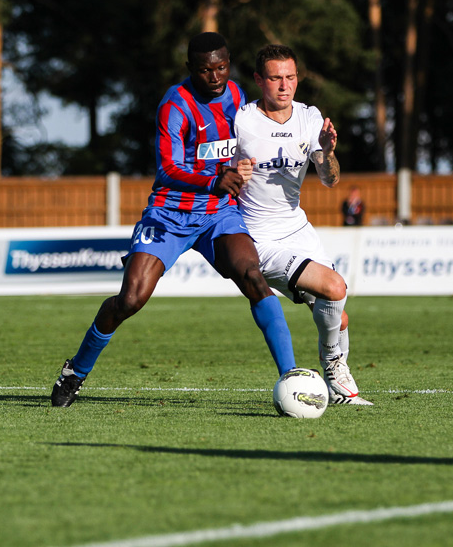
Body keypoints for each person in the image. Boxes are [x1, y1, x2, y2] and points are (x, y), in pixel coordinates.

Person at [51, 32, 298, 407]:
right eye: (204, 70)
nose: (214, 77)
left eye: (221, 68)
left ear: (229, 64)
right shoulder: (175, 105)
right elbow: (167, 169)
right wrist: (215, 179)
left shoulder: (237, 96)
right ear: (190, 69)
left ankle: (291, 378)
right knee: (130, 299)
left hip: (218, 213)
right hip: (170, 214)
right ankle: (76, 371)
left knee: (253, 277)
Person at [233, 44, 372, 406]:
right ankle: (332, 364)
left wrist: (326, 153)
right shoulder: (241, 120)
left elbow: (331, 180)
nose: (284, 85)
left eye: (291, 77)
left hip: (298, 229)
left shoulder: (309, 118)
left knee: (338, 320)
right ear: (258, 80)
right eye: (276, 78)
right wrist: (231, 173)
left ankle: (340, 393)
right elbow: (211, 168)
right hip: (259, 238)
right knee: (334, 286)